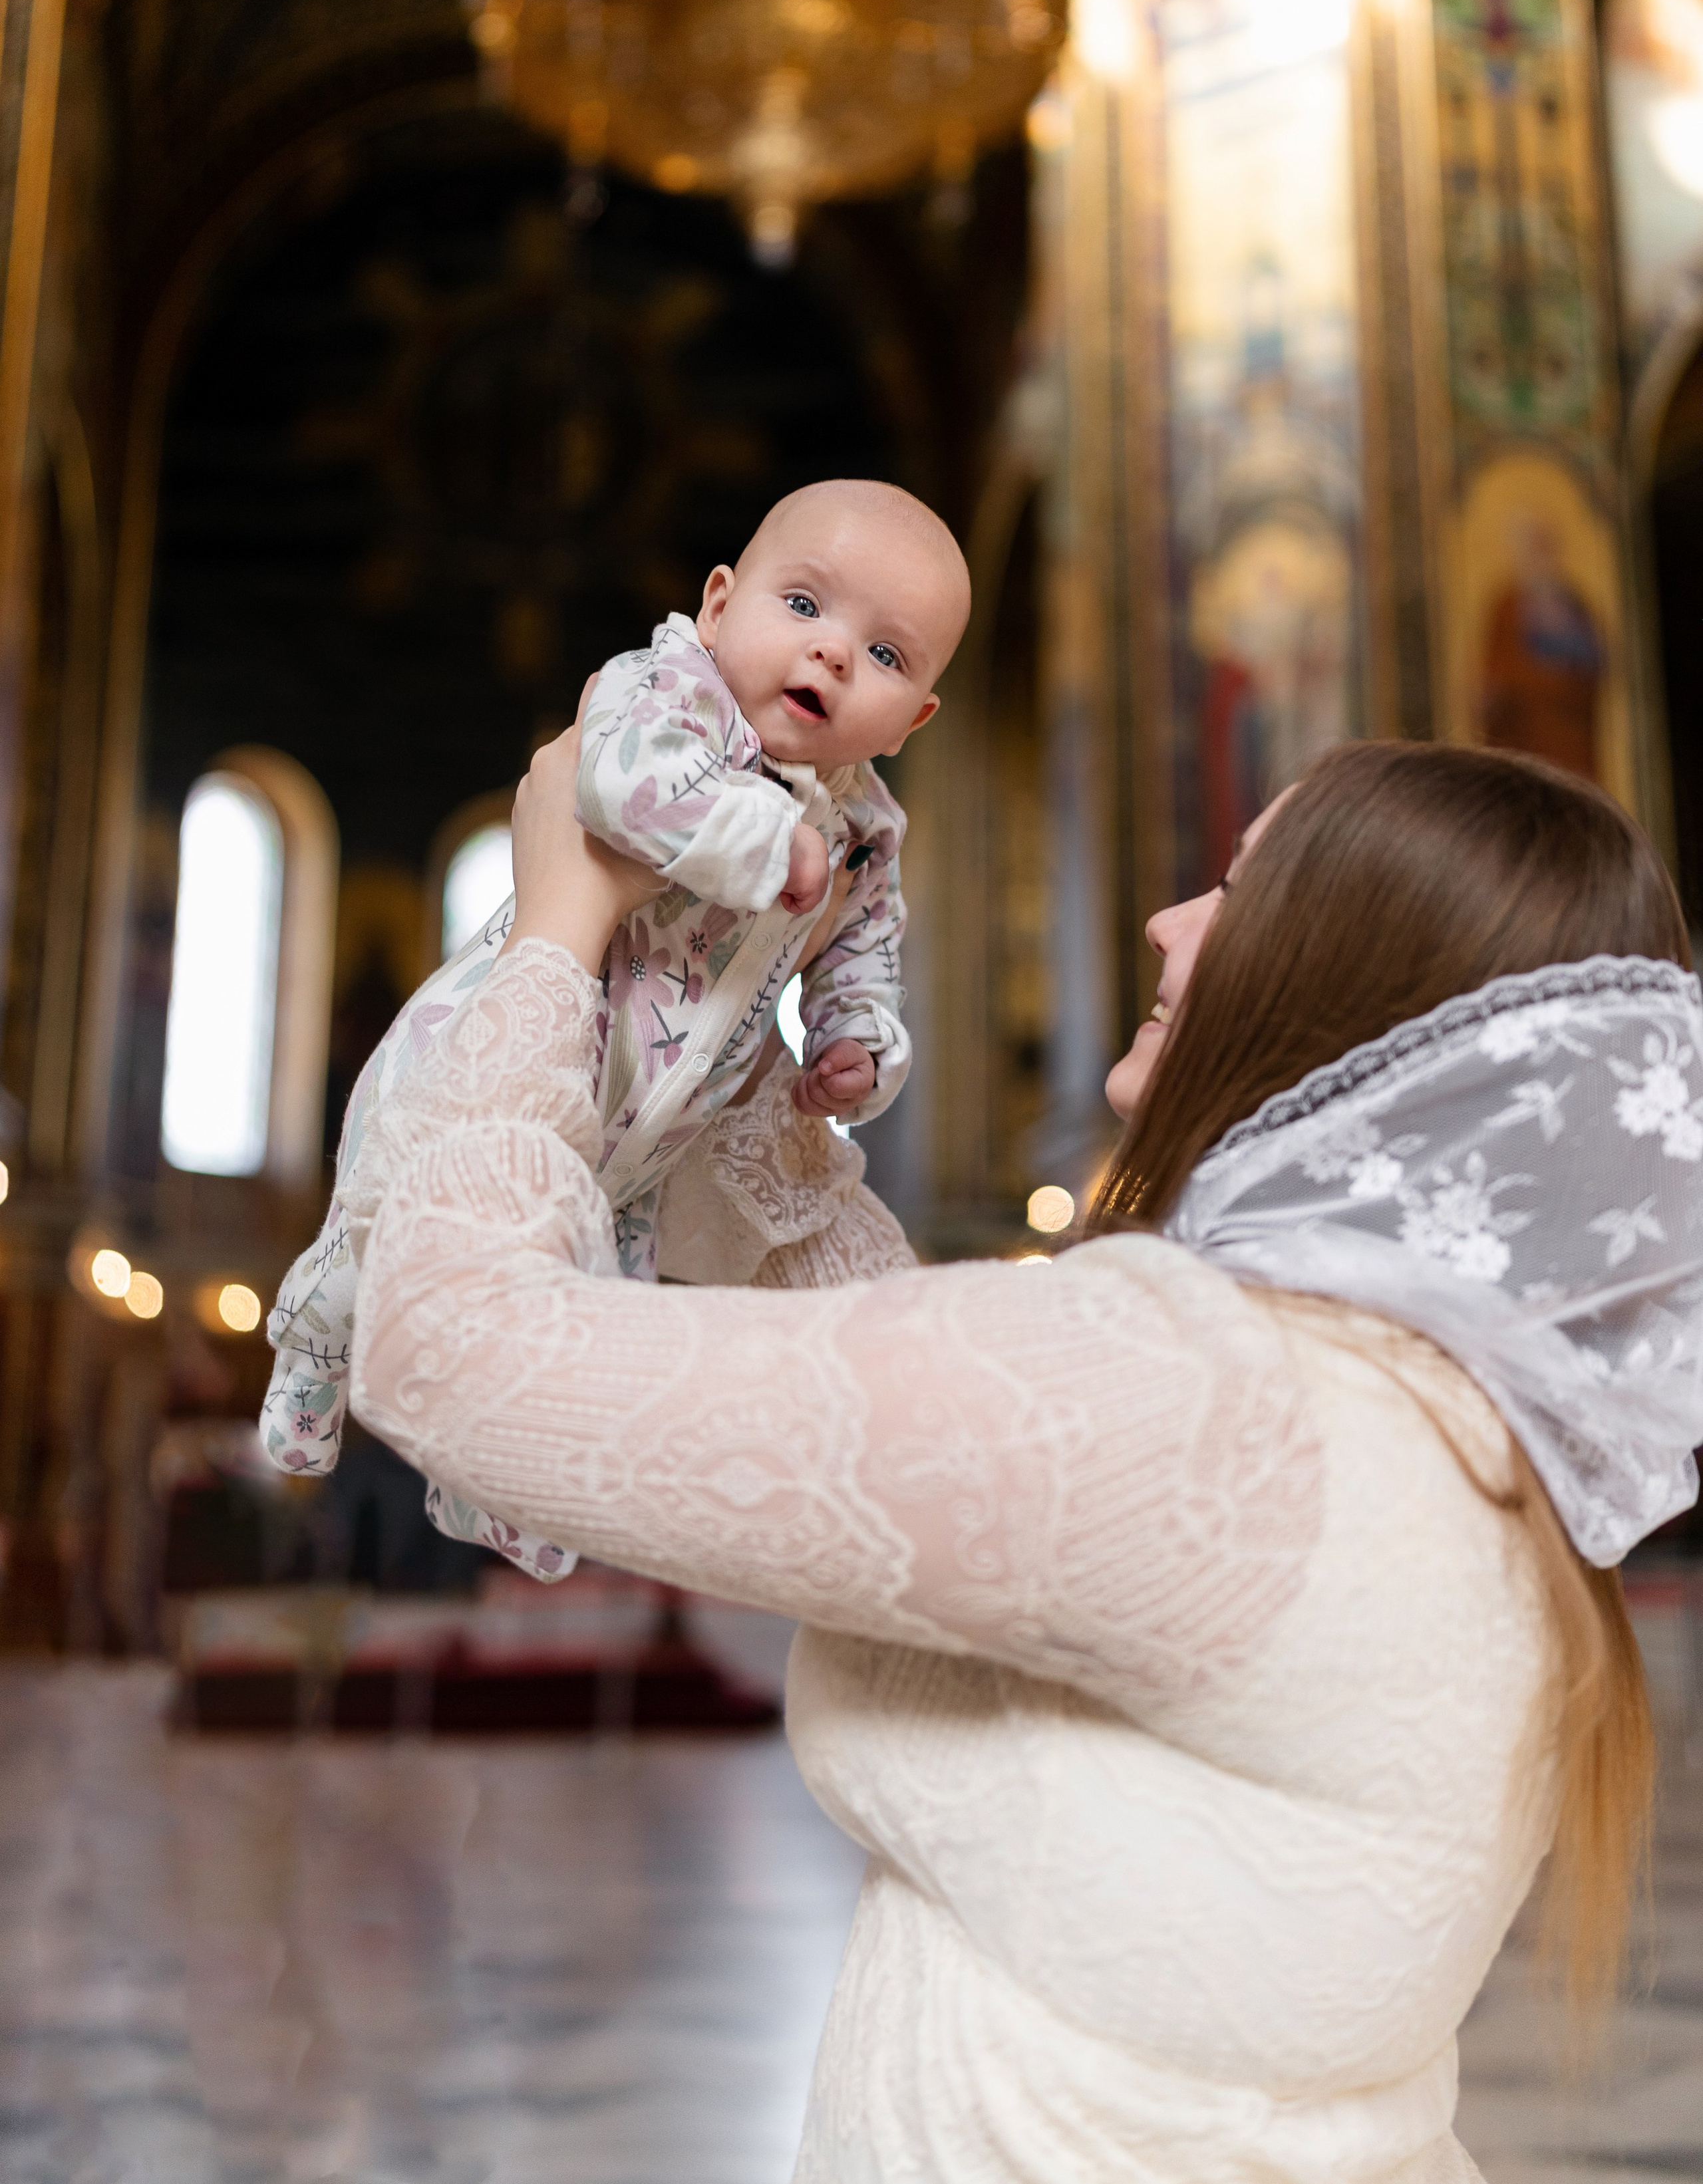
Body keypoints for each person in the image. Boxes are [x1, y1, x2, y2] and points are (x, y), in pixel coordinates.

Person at [341, 734, 1703, 2183]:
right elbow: (961, 1444)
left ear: (1356, 996)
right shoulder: (1414, 1411)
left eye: (1238, 889)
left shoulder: (1211, 1400)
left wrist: (555, 922)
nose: (1168, 923)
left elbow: (448, 1352)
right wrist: (743, 1093)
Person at [261, 478, 968, 1575]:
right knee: (395, 1217)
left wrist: (858, 1043)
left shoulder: (868, 831)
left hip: (661, 1130)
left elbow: (866, 946)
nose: (834, 654)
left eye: (887, 656)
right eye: (805, 606)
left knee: (589, 1313)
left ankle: (526, 1508)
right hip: (529, 1037)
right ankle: (310, 1349)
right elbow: (614, 782)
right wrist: (760, 841)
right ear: (720, 604)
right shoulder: (669, 689)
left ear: (917, 717)